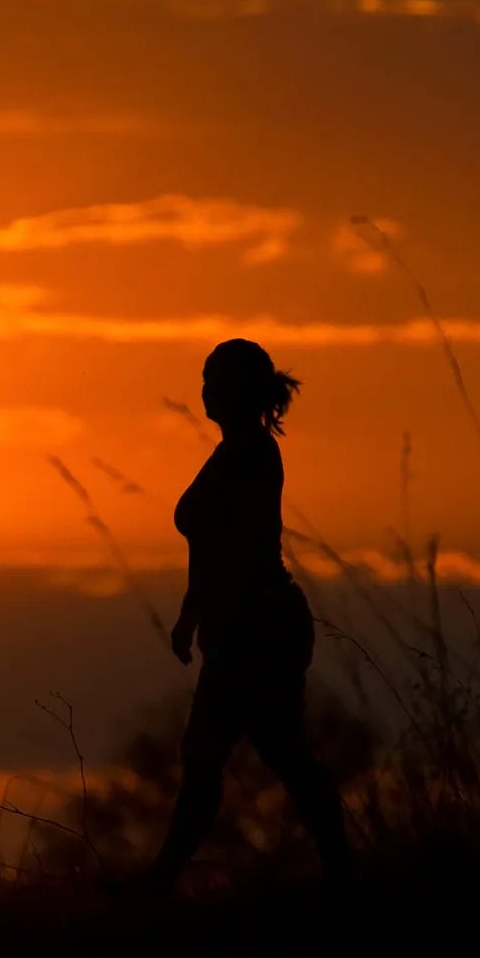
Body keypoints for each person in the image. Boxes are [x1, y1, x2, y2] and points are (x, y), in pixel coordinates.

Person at [129, 338, 350, 896]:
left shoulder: (251, 453)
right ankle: (346, 874)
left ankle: (160, 883)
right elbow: (209, 547)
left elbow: (240, 548)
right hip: (240, 627)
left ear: (243, 389)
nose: (205, 391)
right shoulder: (232, 451)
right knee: (272, 754)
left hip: (259, 627)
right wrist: (191, 614)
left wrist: (213, 617)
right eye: (204, 379)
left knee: (220, 754)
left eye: (216, 380)